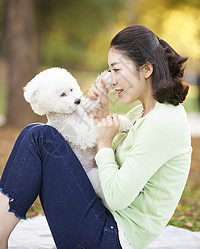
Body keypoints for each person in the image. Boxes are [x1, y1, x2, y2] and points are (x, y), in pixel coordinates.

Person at [0, 25, 192, 249]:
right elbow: (112, 168)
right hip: (103, 223)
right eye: (109, 71)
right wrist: (102, 119)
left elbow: (116, 197)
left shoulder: (163, 123)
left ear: (146, 69)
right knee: (35, 133)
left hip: (110, 238)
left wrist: (103, 143)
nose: (112, 79)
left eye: (117, 69)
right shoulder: (143, 114)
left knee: (39, 136)